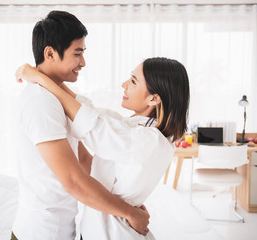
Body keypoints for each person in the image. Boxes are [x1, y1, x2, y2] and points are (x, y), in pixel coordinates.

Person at [15, 57, 190, 239]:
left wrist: (40, 78)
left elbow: (90, 122)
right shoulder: (132, 128)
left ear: (154, 98)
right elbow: (86, 110)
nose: (124, 85)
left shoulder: (146, 141)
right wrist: (44, 78)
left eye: (133, 81)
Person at [11, 10, 150, 240]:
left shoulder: (53, 97)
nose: (83, 62)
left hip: (59, 229)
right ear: (50, 53)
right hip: (41, 232)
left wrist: (126, 203)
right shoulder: (40, 102)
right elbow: (74, 180)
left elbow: (83, 159)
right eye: (78, 53)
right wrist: (129, 213)